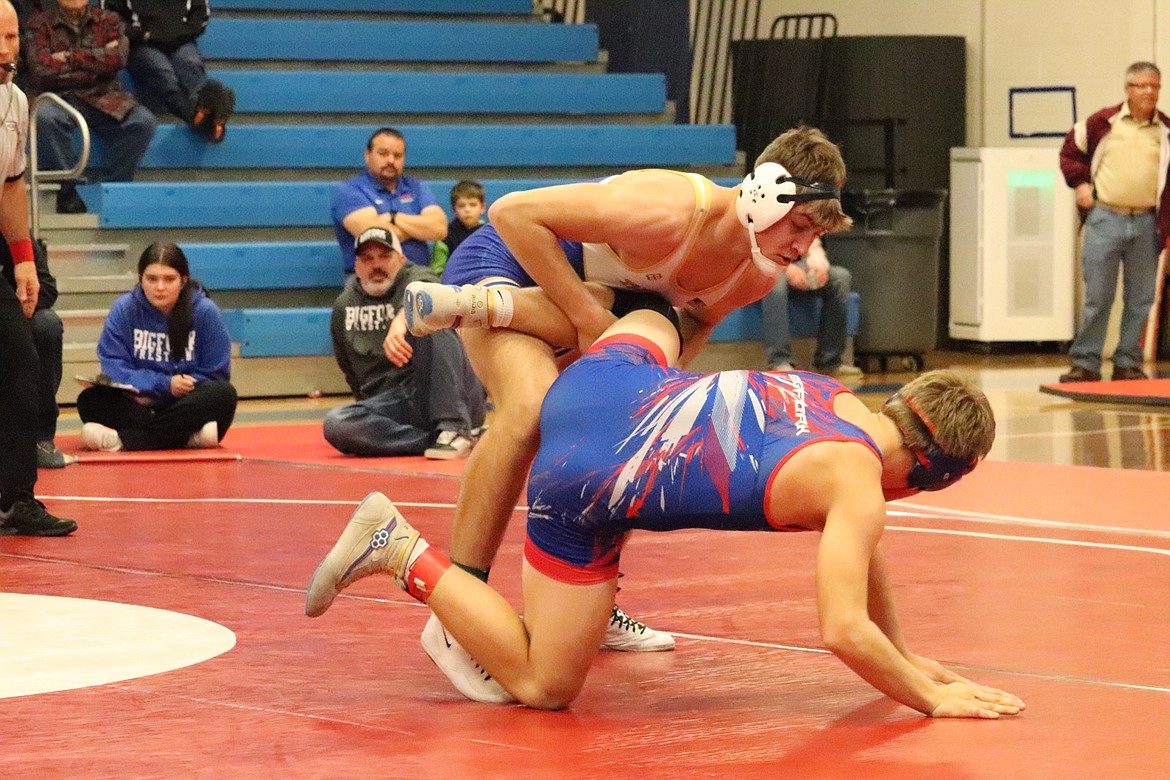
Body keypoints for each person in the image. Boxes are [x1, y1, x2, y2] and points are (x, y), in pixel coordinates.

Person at [305, 303, 1025, 720]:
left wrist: (908, 658)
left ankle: (493, 303)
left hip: (605, 376)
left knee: (657, 312)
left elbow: (865, 558)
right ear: (930, 474)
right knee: (543, 685)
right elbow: (842, 628)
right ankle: (398, 547)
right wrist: (930, 700)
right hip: (581, 484)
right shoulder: (860, 487)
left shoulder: (832, 396)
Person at [403, 125, 852, 688]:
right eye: (802, 225)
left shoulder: (754, 277)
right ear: (764, 192)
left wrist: (651, 397)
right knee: (529, 410)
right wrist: (593, 326)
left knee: (622, 443)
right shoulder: (668, 207)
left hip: (600, 307)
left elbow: (696, 322)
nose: (803, 246)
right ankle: (454, 608)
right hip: (511, 261)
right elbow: (513, 214)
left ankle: (593, 592)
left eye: (815, 234)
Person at [0, 0, 76, 536]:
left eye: (12, 38)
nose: (7, 50)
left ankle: (16, 498)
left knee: (21, 363)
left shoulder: (16, 101)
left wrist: (24, 260)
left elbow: (10, 187)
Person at [324, 226, 486, 460]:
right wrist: (371, 419)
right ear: (357, 266)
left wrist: (402, 322)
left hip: (443, 390)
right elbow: (349, 369)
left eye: (384, 257)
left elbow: (429, 292)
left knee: (432, 319)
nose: (376, 265)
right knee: (337, 424)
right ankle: (434, 438)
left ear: (401, 260)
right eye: (367, 259)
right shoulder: (344, 306)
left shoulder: (416, 277)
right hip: (394, 403)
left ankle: (455, 427)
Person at [1058, 61, 1169, 383]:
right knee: (1099, 296)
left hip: (1148, 223)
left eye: (1155, 86)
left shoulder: (1165, 131)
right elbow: (1070, 152)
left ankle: (1127, 362)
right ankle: (1086, 362)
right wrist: (1080, 186)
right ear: (1128, 89)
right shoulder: (1101, 123)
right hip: (1105, 219)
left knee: (1141, 298)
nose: (1149, 92)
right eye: (1142, 86)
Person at [77, 241, 236, 452]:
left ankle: (122, 440)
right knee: (91, 400)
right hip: (140, 402)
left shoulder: (205, 311)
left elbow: (216, 373)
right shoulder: (124, 309)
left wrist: (177, 389)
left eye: (169, 279)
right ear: (140, 279)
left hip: (185, 404)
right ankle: (186, 438)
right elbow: (114, 366)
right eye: (152, 279)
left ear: (183, 281)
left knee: (223, 394)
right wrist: (162, 384)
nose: (160, 287)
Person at [24, 0, 157, 214]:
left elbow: (118, 58)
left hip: (104, 97)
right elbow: (41, 69)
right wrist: (97, 59)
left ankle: (106, 187)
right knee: (45, 117)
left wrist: (69, 57)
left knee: (143, 122)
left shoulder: (109, 20)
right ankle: (68, 192)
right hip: (60, 97)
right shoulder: (39, 23)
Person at [103, 0, 234, 143]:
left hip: (181, 41)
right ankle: (201, 117)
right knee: (163, 73)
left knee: (190, 64)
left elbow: (201, 13)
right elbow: (110, 17)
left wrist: (180, 34)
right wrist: (140, 34)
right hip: (141, 44)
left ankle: (209, 110)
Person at [331, 127, 447, 273]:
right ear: (367, 155)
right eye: (383, 153)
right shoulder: (349, 191)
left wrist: (393, 217)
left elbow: (439, 229)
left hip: (417, 277)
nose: (391, 160)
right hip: (370, 280)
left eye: (397, 155)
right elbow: (374, 236)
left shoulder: (416, 187)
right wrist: (419, 229)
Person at [760, 235, 863, 380]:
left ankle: (829, 361)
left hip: (795, 264)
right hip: (761, 266)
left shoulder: (799, 213)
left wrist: (819, 264)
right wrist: (784, 267)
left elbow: (810, 238)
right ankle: (779, 361)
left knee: (840, 277)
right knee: (775, 279)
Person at [430, 179, 487, 275]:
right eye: (461, 206)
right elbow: (438, 270)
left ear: (482, 208)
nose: (467, 210)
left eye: (473, 205)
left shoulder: (488, 233)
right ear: (454, 209)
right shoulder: (445, 236)